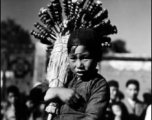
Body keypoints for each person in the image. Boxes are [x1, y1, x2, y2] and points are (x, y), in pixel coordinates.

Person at [30, 28, 110, 120]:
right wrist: (57, 92)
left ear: (98, 56)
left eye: (85, 58)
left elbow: (92, 118)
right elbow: (35, 94)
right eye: (73, 58)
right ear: (67, 58)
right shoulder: (61, 76)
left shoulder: (98, 85)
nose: (79, 65)